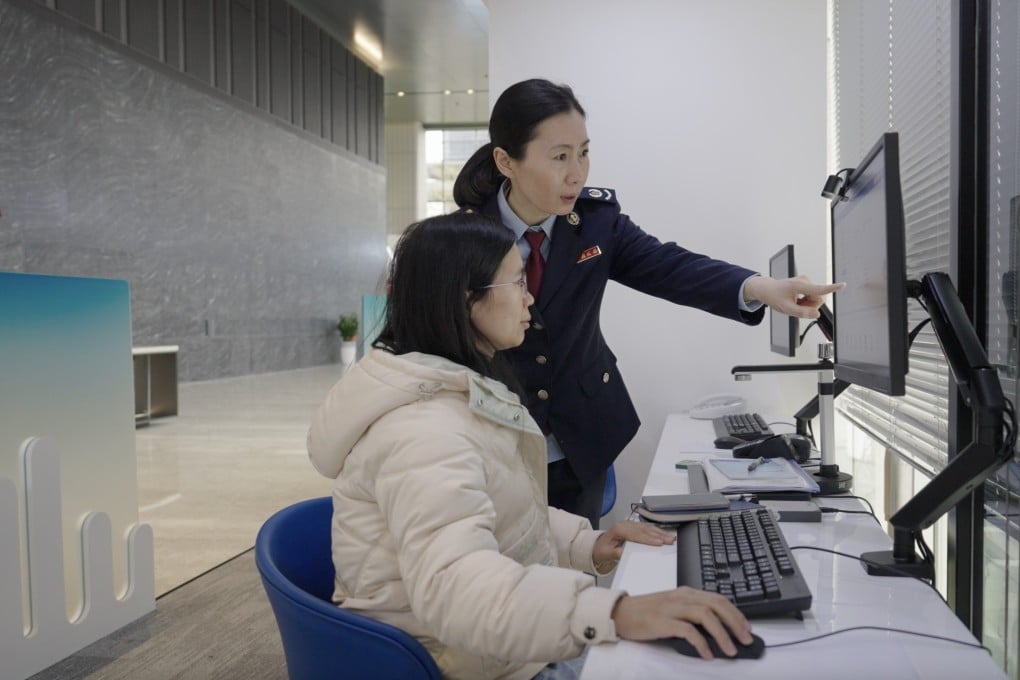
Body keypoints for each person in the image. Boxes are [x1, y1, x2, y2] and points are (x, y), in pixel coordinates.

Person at [307, 212, 755, 680]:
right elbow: (458, 590)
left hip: (482, 646)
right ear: (467, 301)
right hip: (459, 660)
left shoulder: (455, 389)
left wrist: (590, 542)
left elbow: (499, 506)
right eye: (517, 283)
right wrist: (616, 613)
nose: (530, 298)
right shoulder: (424, 431)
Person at [453, 78, 843, 527]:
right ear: (507, 161)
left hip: (580, 439)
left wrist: (759, 287)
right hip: (495, 442)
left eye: (584, 152)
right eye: (560, 156)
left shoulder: (596, 223)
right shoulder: (461, 240)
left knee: (574, 567)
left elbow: (670, 266)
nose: (577, 173)